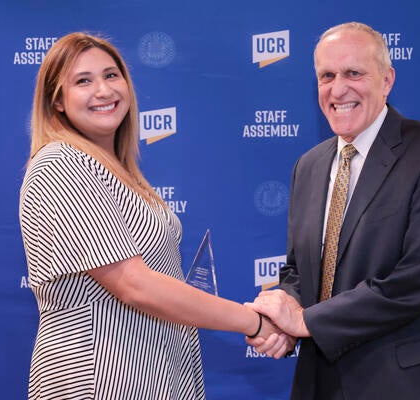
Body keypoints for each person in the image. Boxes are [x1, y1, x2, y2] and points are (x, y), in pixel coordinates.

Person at [19, 32, 277, 400]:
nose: (104, 90)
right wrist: (253, 323)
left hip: (154, 374)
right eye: (82, 81)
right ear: (57, 101)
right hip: (103, 379)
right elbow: (134, 284)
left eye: (111, 75)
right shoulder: (60, 164)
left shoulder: (116, 170)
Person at [246, 22, 420, 399]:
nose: (338, 89)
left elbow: (417, 279)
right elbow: (299, 270)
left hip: (409, 386)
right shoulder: (309, 165)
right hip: (320, 381)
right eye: (326, 76)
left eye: (354, 73)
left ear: (387, 80)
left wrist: (304, 321)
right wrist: (281, 312)